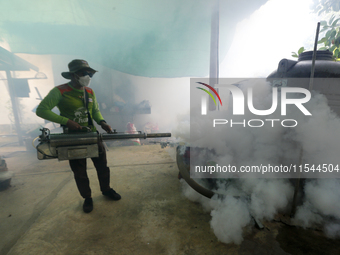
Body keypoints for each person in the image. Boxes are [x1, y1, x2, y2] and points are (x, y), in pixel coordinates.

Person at [36, 59, 121, 213]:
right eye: (84, 73)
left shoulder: (89, 91)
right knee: (80, 171)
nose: (87, 76)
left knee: (102, 166)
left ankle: (106, 189)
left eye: (90, 74)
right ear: (74, 75)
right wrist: (66, 121)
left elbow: (94, 110)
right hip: (72, 138)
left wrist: (102, 122)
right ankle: (87, 198)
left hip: (92, 135)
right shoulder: (59, 91)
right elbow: (41, 110)